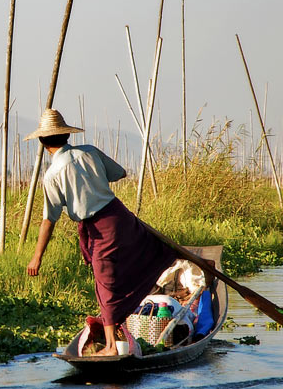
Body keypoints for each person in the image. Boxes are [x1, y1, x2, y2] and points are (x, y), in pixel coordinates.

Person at [24, 108, 176, 356]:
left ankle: (111, 347)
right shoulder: (90, 152)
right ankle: (116, 330)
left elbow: (49, 220)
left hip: (99, 228)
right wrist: (92, 179)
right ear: (65, 135)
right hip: (120, 216)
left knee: (105, 284)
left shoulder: (52, 175)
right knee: (137, 260)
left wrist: (37, 256)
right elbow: (120, 173)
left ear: (42, 142)